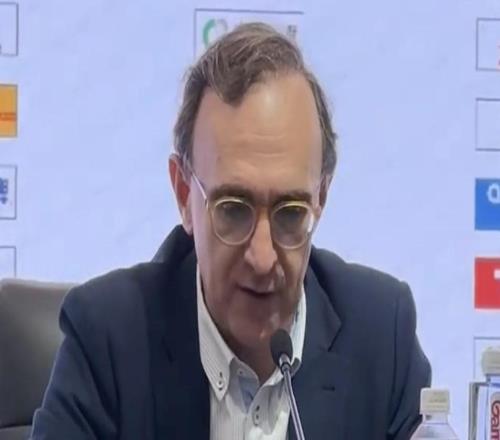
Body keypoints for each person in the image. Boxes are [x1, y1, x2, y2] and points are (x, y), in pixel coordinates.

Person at [31, 23, 431, 439]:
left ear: (321, 199)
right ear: (184, 194)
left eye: (290, 213)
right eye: (234, 210)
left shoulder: (381, 335)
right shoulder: (109, 338)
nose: (263, 257)